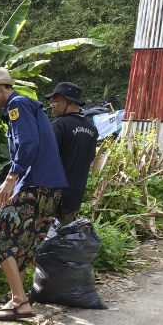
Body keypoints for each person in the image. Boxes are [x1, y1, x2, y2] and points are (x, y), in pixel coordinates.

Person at [0, 69, 67, 321]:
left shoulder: (17, 105)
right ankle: (17, 297)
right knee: (22, 244)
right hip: (49, 186)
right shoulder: (25, 105)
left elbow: (27, 144)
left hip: (37, 185)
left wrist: (11, 180)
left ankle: (19, 301)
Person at [45, 82, 98, 226]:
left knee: (44, 236)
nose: (52, 105)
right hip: (73, 197)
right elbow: (91, 158)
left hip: (51, 196)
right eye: (52, 101)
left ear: (71, 102)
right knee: (62, 235)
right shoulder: (92, 129)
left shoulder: (58, 125)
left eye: (56, 101)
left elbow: (45, 159)